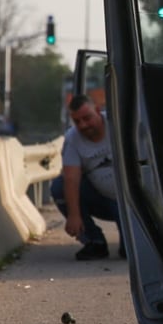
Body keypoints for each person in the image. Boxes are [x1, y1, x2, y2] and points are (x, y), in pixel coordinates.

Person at [51, 94, 123, 260]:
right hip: (101, 200)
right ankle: (94, 241)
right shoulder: (72, 139)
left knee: (129, 253)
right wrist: (74, 215)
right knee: (58, 186)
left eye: (87, 118)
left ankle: (130, 239)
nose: (83, 125)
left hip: (129, 204)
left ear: (98, 111)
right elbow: (71, 178)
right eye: (77, 121)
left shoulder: (118, 125)